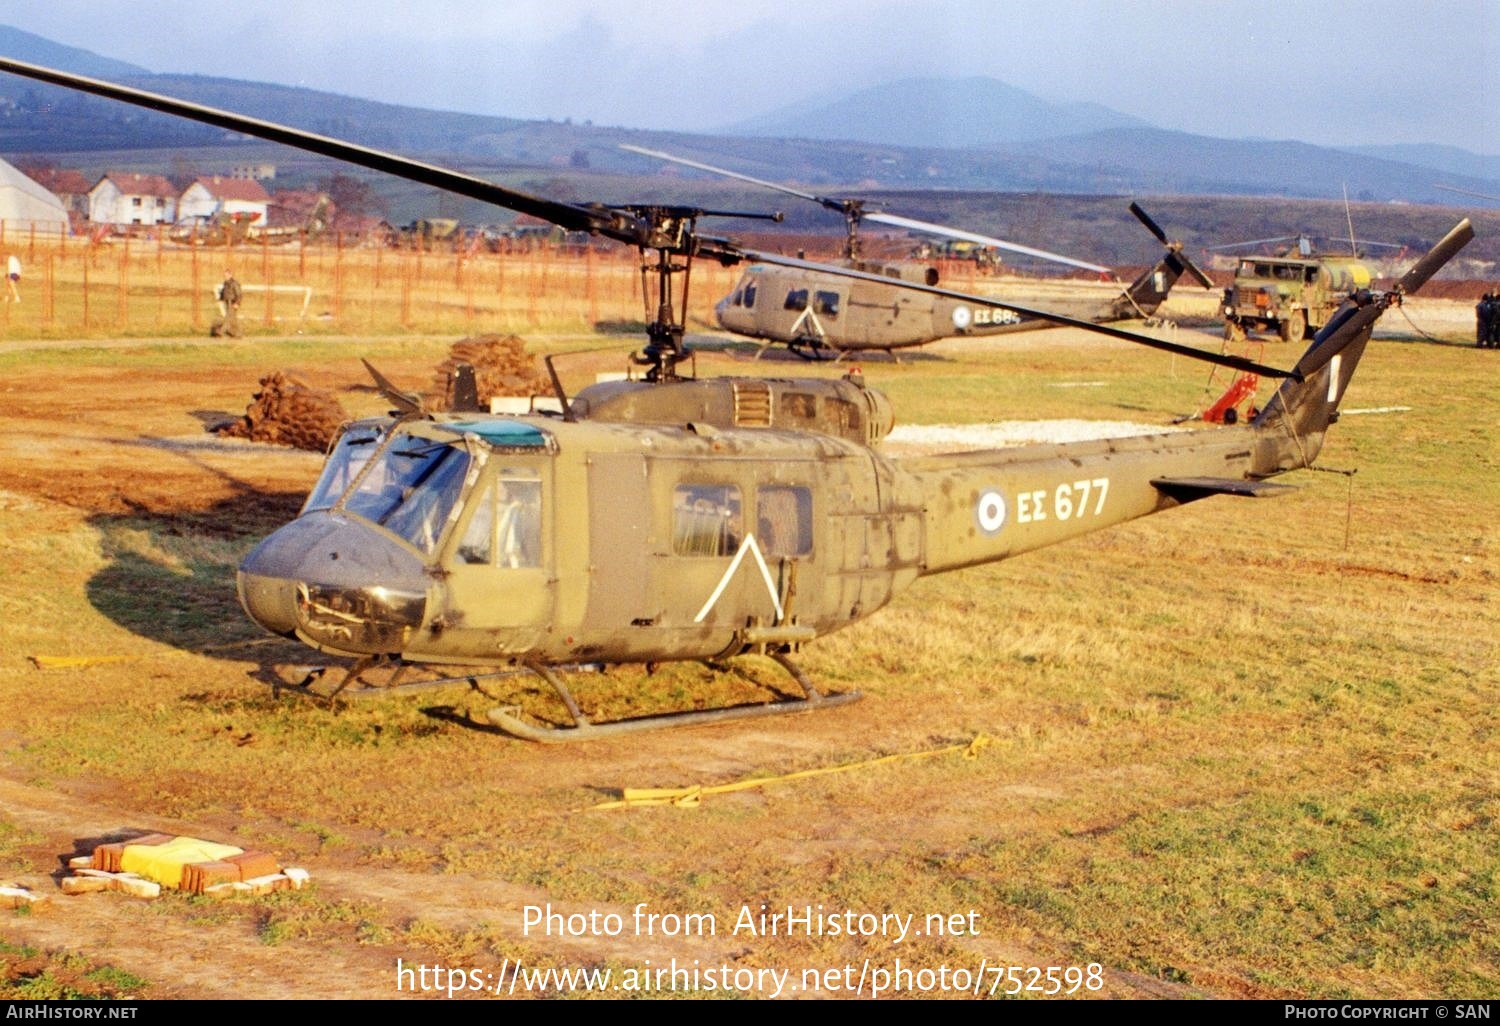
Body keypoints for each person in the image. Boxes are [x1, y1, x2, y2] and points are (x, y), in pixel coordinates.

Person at [213, 269, 243, 337]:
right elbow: (224, 291)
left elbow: (239, 294)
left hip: (232, 302)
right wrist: (220, 298)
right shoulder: (226, 283)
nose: (225, 276)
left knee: (228, 317)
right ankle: (237, 333)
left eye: (227, 275)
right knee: (233, 319)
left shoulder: (234, 283)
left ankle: (221, 331)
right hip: (227, 302)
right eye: (225, 275)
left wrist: (237, 303)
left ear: (230, 275)